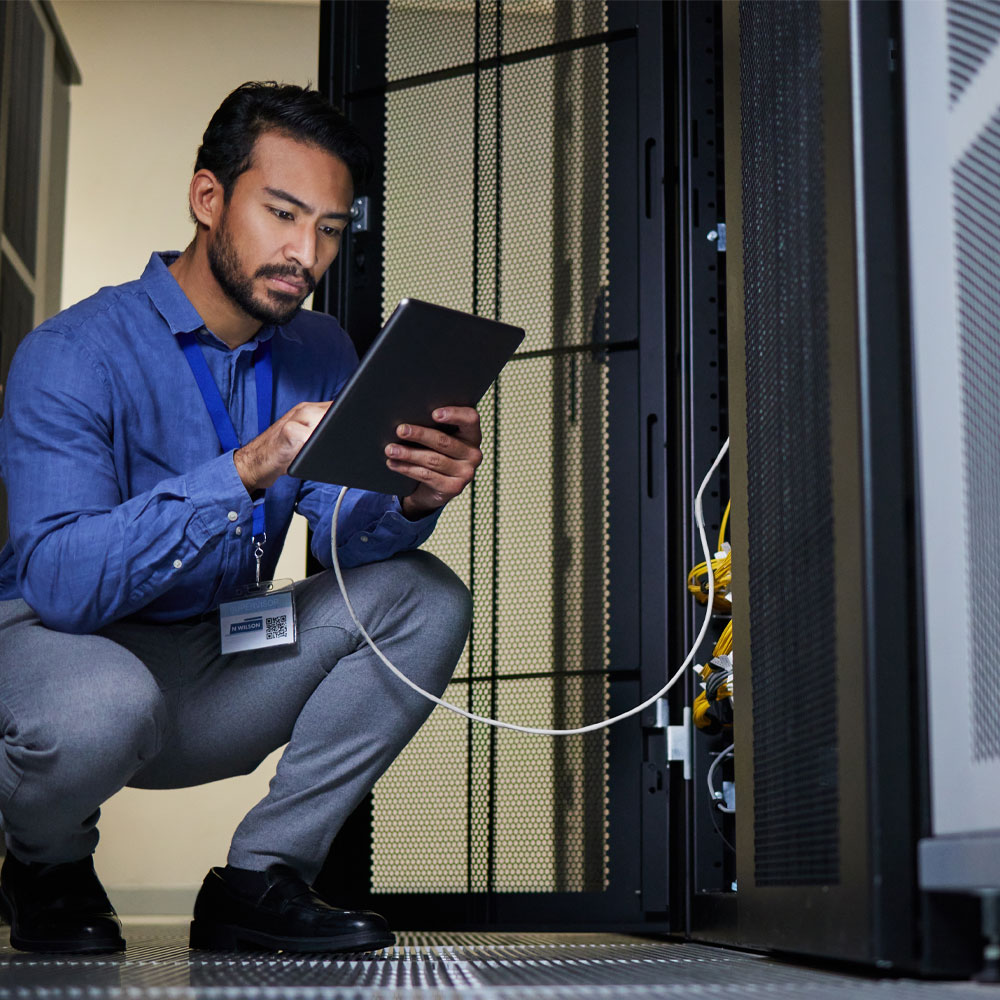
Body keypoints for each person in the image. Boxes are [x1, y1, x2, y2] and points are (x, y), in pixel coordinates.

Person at [0, 82, 479, 955]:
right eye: (283, 213)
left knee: (424, 596)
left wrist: (410, 494)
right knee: (107, 701)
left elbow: (341, 541)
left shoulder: (323, 349)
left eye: (330, 229)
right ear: (208, 198)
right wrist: (245, 470)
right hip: (69, 666)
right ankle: (46, 863)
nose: (306, 253)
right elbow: (62, 584)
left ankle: (262, 880)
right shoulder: (70, 354)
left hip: (217, 661)